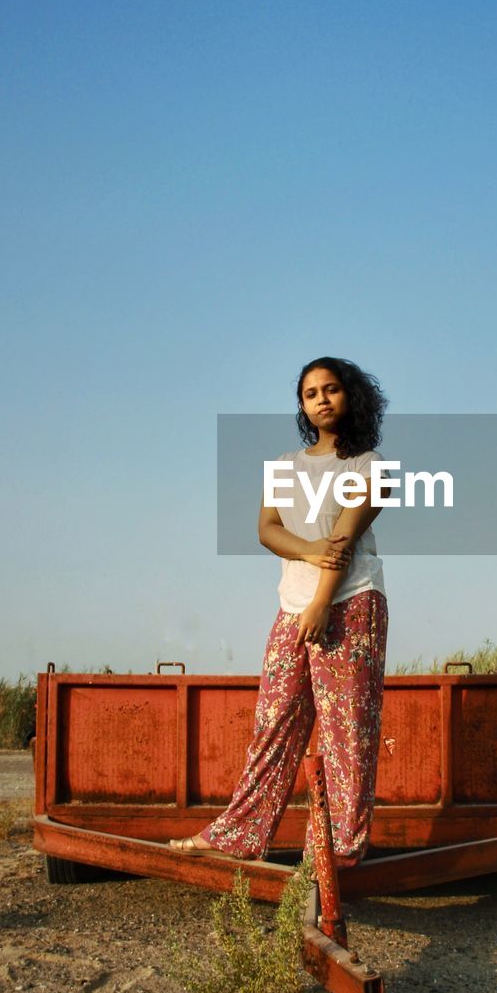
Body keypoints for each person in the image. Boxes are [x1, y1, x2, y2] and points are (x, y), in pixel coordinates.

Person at [170, 356, 389, 867]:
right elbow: (267, 529)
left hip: (351, 602)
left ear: (351, 396)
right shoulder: (285, 465)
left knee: (345, 728)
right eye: (311, 393)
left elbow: (345, 539)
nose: (321, 400)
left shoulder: (369, 465)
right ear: (302, 405)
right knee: (274, 721)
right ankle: (240, 834)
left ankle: (338, 851)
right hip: (293, 605)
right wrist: (308, 555)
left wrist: (320, 600)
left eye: (331, 389)